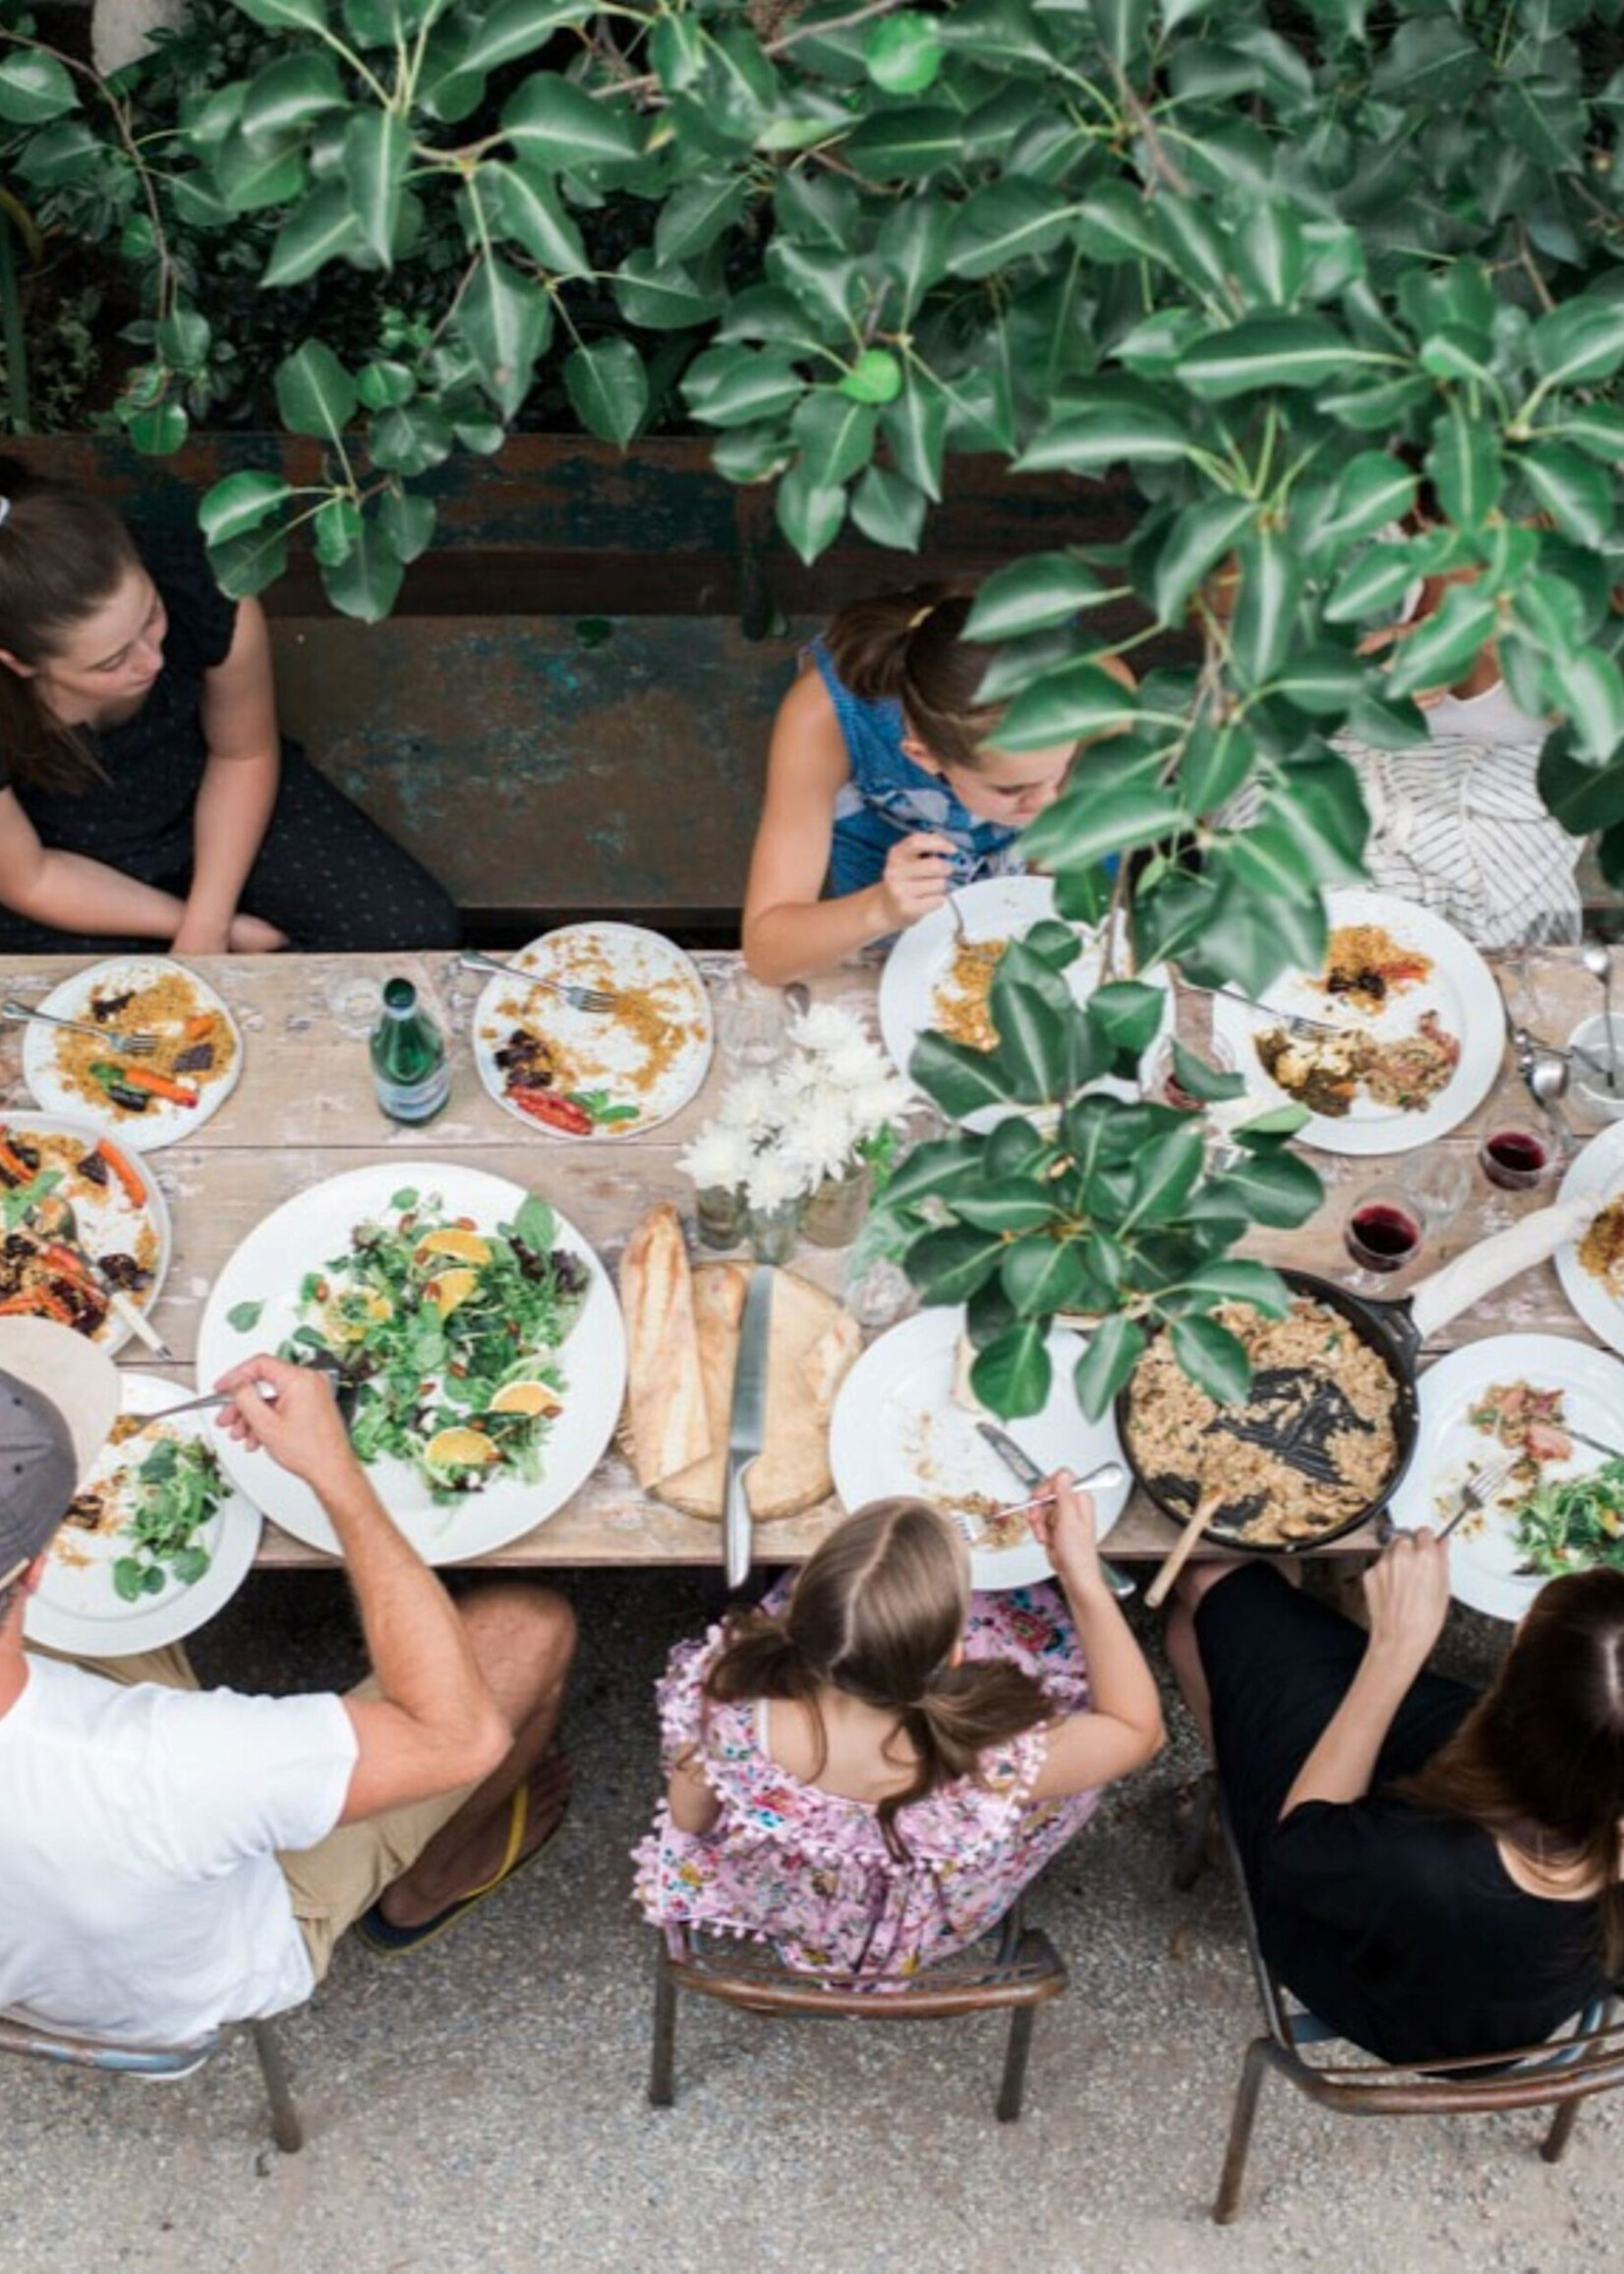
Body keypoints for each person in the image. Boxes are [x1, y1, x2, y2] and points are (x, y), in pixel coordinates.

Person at [0, 1326, 575, 2046]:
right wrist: (336, 1473)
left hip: (31, 1966)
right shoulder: (163, 1763)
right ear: (36, 1570)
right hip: (200, 1971)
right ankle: (424, 1887)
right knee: (531, 1627)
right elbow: (458, 1739)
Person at [633, 1478, 1164, 1986]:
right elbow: (1138, 1729)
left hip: (787, 1899)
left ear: (800, 1617)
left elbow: (689, 1818)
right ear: (955, 1655)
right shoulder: (992, 1761)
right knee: (1071, 1726)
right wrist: (1080, 1575)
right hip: (914, 1919)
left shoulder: (732, 1706)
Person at [1165, 1536, 1623, 2069]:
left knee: (1209, 1587)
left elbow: (1299, 1849)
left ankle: (1234, 1785)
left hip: (1387, 1991)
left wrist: (1392, 1655)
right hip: (1504, 1975)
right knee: (1274, 1620)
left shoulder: (1431, 1862)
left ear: (1517, 1700)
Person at [0, 459, 459, 954]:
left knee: (407, 933)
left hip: (213, 795)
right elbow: (30, 877)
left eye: (152, 616)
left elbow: (242, 754)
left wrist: (210, 919)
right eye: (111, 662)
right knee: (85, 997)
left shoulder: (203, 585)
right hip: (59, 860)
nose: (153, 660)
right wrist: (205, 930)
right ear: (18, 662)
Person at [742, 586, 1125, 985]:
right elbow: (768, 955)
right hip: (891, 858)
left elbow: (1063, 870)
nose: (1049, 803)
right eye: (1012, 789)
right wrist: (880, 909)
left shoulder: (1100, 690)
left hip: (1030, 861)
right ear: (923, 757)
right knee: (898, 967)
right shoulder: (824, 717)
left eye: (1061, 770)